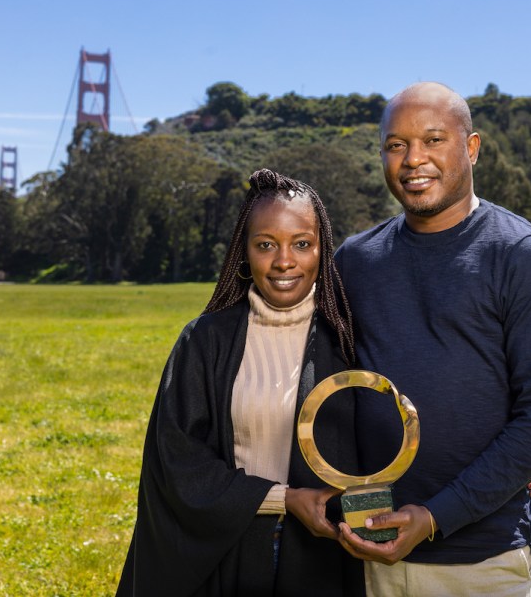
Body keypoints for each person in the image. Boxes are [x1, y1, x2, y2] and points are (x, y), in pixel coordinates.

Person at [334, 82, 531, 596]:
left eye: (433, 140)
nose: (412, 160)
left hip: (482, 562)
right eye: (395, 145)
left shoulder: (523, 256)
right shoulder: (354, 261)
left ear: (471, 148)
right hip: (369, 554)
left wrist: (434, 517)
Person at [116, 169, 364, 596]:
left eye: (301, 244)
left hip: (318, 566)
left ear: (323, 249)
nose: (284, 261)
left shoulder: (347, 341)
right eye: (266, 244)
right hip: (226, 559)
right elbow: (177, 462)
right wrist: (282, 499)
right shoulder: (205, 340)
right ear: (243, 252)